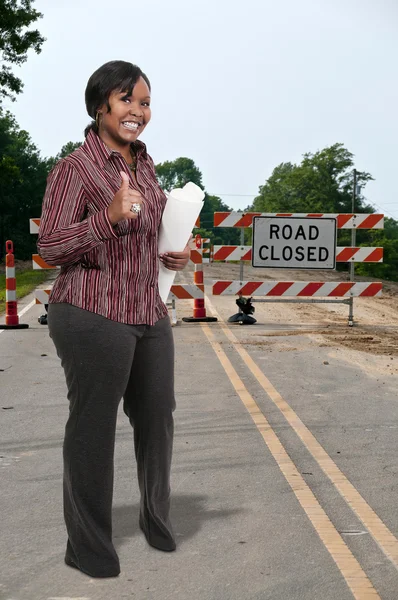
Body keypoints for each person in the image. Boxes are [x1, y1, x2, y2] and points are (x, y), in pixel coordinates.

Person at [38, 60, 191, 578]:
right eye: (127, 100)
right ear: (101, 104)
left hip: (147, 308)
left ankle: (156, 521)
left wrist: (174, 253)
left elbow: (150, 233)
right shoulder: (73, 169)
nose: (137, 112)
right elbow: (50, 247)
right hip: (89, 310)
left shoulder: (147, 167)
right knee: (94, 428)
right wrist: (105, 219)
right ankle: (87, 549)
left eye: (145, 103)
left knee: (158, 418)